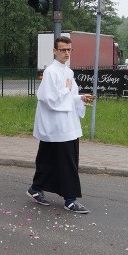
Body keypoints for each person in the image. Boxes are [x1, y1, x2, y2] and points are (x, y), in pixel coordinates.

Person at [27, 35, 94, 214]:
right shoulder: (51, 72)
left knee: (47, 160)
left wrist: (81, 97)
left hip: (67, 125)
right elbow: (47, 98)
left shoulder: (68, 72)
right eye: (63, 50)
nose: (66, 53)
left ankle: (35, 189)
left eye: (69, 50)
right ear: (55, 51)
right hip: (56, 126)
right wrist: (65, 90)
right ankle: (70, 199)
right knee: (67, 162)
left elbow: (69, 96)